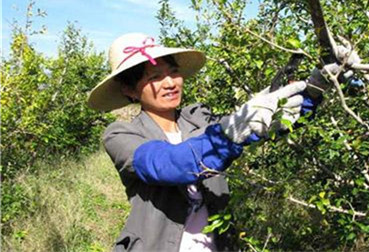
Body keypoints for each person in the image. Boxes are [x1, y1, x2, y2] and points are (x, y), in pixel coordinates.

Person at [87, 33, 351, 252]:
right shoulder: (121, 135)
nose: (169, 83)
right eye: (154, 77)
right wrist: (231, 131)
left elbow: (262, 125)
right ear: (130, 90)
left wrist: (316, 88)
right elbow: (168, 164)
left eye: (173, 72)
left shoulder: (197, 118)